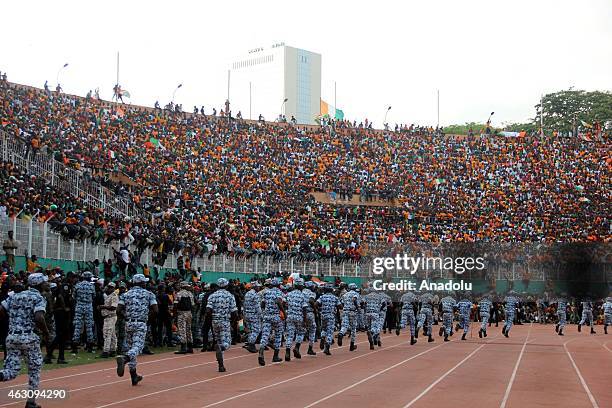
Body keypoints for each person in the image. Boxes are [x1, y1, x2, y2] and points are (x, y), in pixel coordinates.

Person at [0, 273, 49, 408]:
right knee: (34, 369)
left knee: (11, 370)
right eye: (45, 282)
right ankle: (31, 402)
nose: (47, 283)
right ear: (39, 284)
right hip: (29, 338)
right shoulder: (38, 298)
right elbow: (39, 317)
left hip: (12, 337)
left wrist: (12, 321)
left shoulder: (15, 295)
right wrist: (46, 333)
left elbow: (1, 309)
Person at [115, 274, 158, 386]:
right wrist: (147, 319)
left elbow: (118, 310)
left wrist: (126, 317)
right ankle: (125, 358)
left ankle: (134, 376)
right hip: (141, 322)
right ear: (142, 283)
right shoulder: (149, 294)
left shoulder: (125, 294)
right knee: (137, 347)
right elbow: (155, 310)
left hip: (128, 323)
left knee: (130, 347)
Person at [206, 278, 237, 372]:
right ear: (227, 286)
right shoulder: (230, 296)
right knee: (227, 342)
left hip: (214, 321)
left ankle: (221, 365)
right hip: (225, 321)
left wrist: (211, 320)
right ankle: (222, 347)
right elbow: (234, 312)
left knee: (219, 341)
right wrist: (232, 323)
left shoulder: (212, 296)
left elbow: (208, 310)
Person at [258, 278, 285, 366]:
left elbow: (262, 304)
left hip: (267, 316)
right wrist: (284, 312)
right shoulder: (279, 292)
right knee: (278, 335)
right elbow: (279, 302)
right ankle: (275, 356)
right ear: (278, 285)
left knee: (265, 334)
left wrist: (265, 312)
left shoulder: (266, 292)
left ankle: (261, 352)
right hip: (276, 316)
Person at [72, 271, 96, 353]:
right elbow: (94, 296)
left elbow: (73, 297)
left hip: (79, 306)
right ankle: (90, 346)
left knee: (77, 326)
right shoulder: (91, 286)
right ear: (89, 277)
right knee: (89, 326)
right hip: (88, 306)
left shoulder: (77, 285)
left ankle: (75, 346)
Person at [284, 278, 307, 361]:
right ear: (300, 286)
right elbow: (304, 308)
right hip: (299, 317)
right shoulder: (303, 295)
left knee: (289, 335)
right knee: (300, 333)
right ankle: (297, 347)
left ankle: (287, 352)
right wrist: (305, 320)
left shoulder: (288, 294)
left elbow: (283, 302)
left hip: (290, 316)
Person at [317, 283, 340, 356]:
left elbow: (316, 303)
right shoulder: (335, 297)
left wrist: (320, 308)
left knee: (324, 329)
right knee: (330, 332)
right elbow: (340, 306)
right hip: (331, 316)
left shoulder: (322, 297)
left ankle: (323, 337)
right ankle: (327, 347)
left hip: (323, 315)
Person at [174, 282, 195, 354]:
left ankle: (183, 347)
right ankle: (190, 347)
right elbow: (192, 305)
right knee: (189, 329)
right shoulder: (190, 294)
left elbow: (175, 304)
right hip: (189, 313)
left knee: (182, 330)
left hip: (181, 313)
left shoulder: (179, 294)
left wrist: (175, 314)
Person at [338, 283, 359, 351]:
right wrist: (357, 308)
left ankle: (341, 334)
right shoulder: (355, 293)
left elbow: (341, 303)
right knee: (353, 328)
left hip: (345, 311)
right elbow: (354, 300)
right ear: (355, 288)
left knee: (344, 326)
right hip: (352, 312)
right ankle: (352, 345)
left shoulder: (345, 294)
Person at [99, 282, 118, 358]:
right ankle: (113, 350)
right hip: (108, 317)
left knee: (107, 333)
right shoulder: (108, 295)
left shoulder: (114, 295)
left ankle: (106, 351)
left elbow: (113, 307)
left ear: (114, 288)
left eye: (111, 287)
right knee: (112, 334)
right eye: (109, 287)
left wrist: (102, 307)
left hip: (110, 317)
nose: (109, 288)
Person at [243, 282, 262, 353]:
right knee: (256, 330)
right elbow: (257, 307)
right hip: (254, 315)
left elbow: (244, 305)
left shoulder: (247, 294)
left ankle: (251, 344)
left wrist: (244, 314)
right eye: (258, 287)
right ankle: (251, 344)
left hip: (247, 314)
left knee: (251, 330)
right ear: (255, 287)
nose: (259, 288)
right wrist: (261, 316)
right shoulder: (255, 295)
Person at [302, 281, 318, 355]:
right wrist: (315, 310)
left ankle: (296, 347)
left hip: (300, 313)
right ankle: (310, 348)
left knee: (300, 331)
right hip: (309, 313)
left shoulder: (301, 292)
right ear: (311, 286)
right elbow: (311, 301)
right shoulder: (311, 293)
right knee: (312, 329)